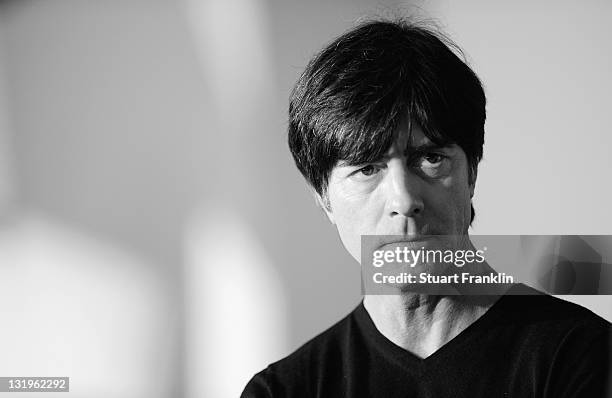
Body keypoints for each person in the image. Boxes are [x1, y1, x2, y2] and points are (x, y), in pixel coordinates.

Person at [241, 19, 610, 397]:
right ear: (323, 197)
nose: (404, 200)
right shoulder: (284, 391)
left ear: (472, 174)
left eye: (431, 158)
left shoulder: (582, 358)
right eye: (367, 168)